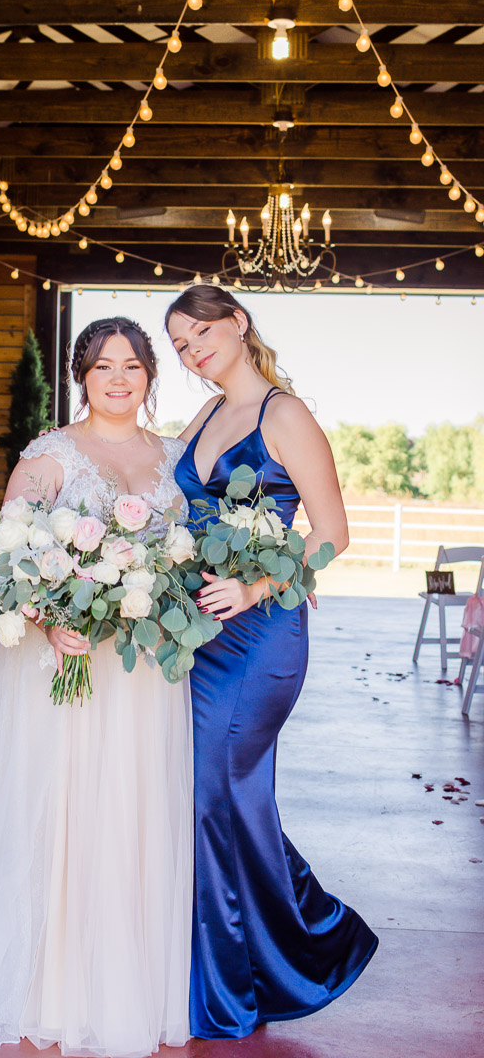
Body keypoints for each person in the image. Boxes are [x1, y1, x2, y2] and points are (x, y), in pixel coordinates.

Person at [0, 318, 193, 1055]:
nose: (119, 379)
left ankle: (121, 984)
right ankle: (50, 988)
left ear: (149, 375)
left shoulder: (176, 455)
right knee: (64, 809)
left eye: (132, 366)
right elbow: (10, 559)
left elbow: (184, 559)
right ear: (82, 376)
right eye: (103, 366)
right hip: (66, 666)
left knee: (130, 808)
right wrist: (50, 621)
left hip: (142, 670)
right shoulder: (50, 455)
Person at [165, 284, 378, 1040]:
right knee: (213, 799)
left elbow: (333, 532)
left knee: (214, 795)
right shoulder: (204, 415)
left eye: (201, 333)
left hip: (260, 637)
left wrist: (258, 585)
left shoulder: (283, 414)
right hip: (197, 631)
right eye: (180, 345)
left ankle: (265, 970)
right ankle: (256, 963)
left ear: (238, 321)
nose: (193, 351)